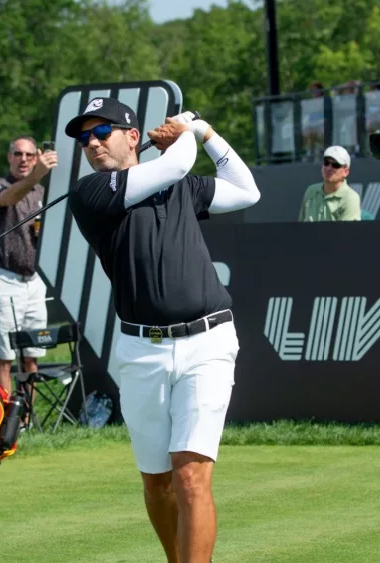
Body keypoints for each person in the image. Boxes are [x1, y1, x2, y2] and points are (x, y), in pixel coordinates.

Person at [63, 98, 259, 563]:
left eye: (101, 132)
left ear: (132, 136)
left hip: (208, 342)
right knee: (156, 479)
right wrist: (186, 131)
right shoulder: (91, 193)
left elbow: (247, 190)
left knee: (190, 475)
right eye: (84, 137)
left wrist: (206, 132)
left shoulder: (181, 185)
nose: (91, 143)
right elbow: (174, 164)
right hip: (141, 350)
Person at [0, 136, 59, 396]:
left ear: (36, 156)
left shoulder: (41, 192)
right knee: (4, 355)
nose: (23, 159)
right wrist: (36, 176)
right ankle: (5, 419)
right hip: (4, 278)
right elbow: (9, 198)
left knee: (32, 352)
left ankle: (25, 417)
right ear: (9, 157)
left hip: (34, 280)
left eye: (29, 155)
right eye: (18, 154)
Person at [297, 146, 360, 222]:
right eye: (326, 163)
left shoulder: (351, 198)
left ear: (346, 172)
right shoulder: (311, 191)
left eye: (335, 165)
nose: (329, 168)